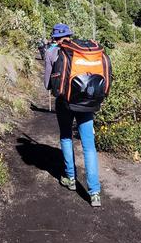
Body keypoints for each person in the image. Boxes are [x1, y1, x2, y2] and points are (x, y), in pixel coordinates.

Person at [42, 23, 102, 207]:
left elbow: (47, 84)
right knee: (89, 147)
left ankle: (70, 178)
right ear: (69, 35)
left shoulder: (52, 53)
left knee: (66, 137)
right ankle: (95, 193)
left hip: (65, 103)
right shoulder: (83, 50)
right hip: (87, 103)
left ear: (54, 37)